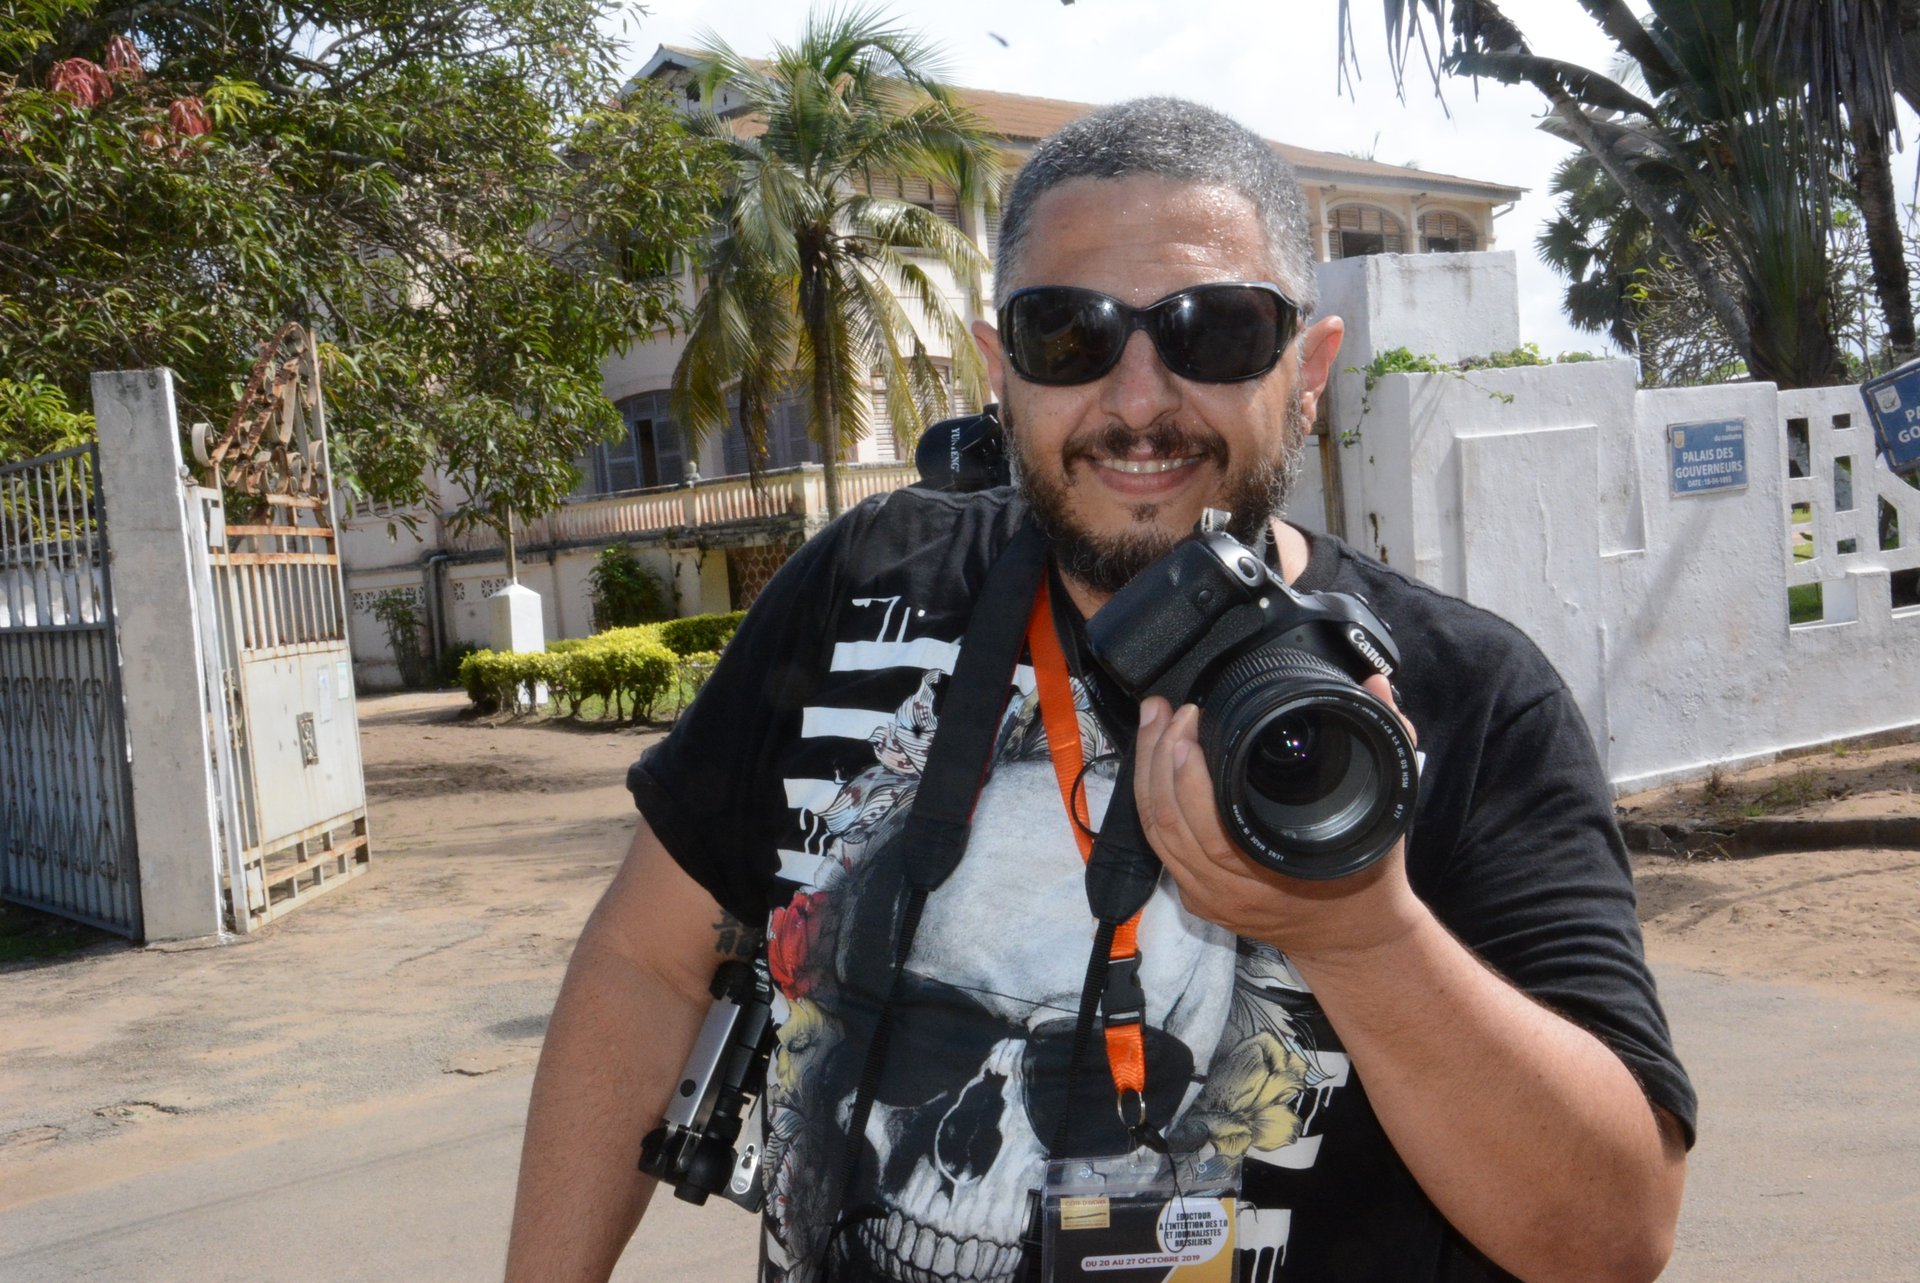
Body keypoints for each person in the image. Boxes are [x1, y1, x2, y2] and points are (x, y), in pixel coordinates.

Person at [506, 97, 1694, 1283]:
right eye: (1069, 333)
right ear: (999, 371)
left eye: (1215, 330)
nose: (1136, 401)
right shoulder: (860, 587)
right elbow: (647, 963)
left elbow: (1610, 1236)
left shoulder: (1464, 699)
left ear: (1310, 370)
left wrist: (1361, 934)